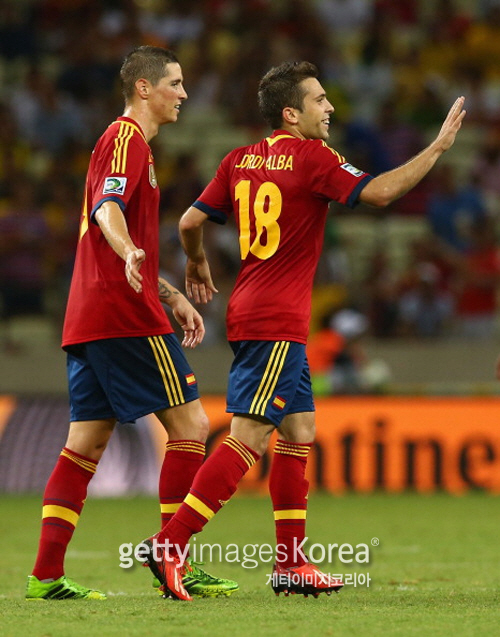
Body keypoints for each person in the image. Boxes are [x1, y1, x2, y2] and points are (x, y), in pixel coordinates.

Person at [142, 61, 465, 600]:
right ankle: (171, 543)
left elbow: (190, 223)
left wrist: (196, 264)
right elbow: (380, 194)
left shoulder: (239, 159)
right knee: (249, 434)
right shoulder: (313, 157)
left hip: (254, 310)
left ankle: (291, 565)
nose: (330, 107)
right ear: (291, 113)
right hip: (275, 320)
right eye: (319, 100)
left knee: (299, 431)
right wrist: (436, 149)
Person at [26, 46, 237, 601]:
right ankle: (174, 558)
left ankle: (45, 576)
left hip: (90, 315)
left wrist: (169, 293)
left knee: (85, 445)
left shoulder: (128, 146)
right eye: (175, 83)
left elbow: (122, 236)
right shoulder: (125, 139)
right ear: (145, 88)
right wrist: (126, 250)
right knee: (191, 427)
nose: (184, 94)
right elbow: (107, 211)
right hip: (123, 314)